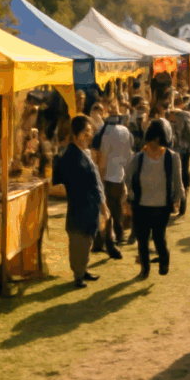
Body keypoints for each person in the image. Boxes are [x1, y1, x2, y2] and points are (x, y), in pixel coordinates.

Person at [125, 120, 184, 279]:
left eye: (158, 143)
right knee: (142, 240)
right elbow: (127, 181)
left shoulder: (172, 158)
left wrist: (178, 200)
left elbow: (178, 181)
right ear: (147, 140)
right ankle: (145, 269)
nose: (155, 146)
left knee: (159, 238)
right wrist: (128, 200)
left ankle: (164, 258)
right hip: (141, 205)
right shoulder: (137, 158)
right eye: (152, 142)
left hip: (162, 206)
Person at [52, 116, 106, 289]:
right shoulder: (69, 156)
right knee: (79, 242)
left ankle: (83, 270)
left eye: (90, 132)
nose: (90, 136)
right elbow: (61, 182)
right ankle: (78, 275)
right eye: (86, 132)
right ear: (76, 135)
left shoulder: (83, 153)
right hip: (80, 206)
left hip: (90, 206)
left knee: (87, 241)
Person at [90, 102, 129, 257]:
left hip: (107, 175)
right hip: (119, 174)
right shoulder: (125, 131)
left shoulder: (103, 132)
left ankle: (105, 240)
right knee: (116, 208)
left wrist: (99, 177)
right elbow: (127, 154)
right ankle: (116, 236)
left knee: (104, 210)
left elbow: (100, 156)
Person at [167, 95, 190, 215]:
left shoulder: (169, 118)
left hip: (174, 150)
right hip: (186, 148)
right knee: (184, 171)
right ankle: (184, 194)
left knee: (173, 175)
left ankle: (175, 202)